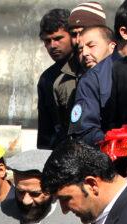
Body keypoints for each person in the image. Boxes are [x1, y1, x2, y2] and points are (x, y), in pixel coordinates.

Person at [68, 24, 127, 147]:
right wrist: (115, 142)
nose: (85, 53)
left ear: (111, 46)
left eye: (91, 46)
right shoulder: (90, 80)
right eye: (80, 49)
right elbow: (84, 130)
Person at [36, 8, 82, 149]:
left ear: (73, 36)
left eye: (58, 38)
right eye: (47, 41)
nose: (53, 46)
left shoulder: (88, 66)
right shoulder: (47, 79)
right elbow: (45, 131)